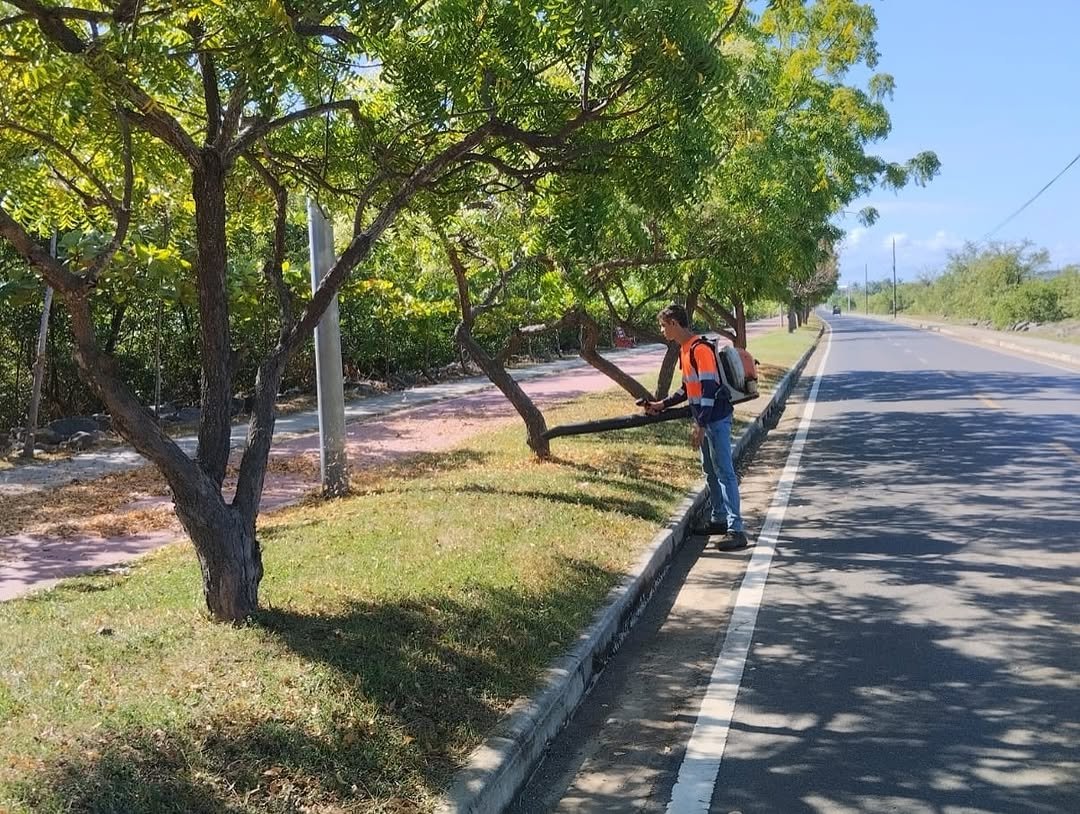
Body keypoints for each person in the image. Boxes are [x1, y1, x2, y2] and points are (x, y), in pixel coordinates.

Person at [644, 303, 749, 550]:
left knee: (724, 472)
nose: (662, 330)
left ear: (674, 323)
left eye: (663, 325)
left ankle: (736, 530)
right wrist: (661, 404)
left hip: (716, 419)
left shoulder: (700, 349)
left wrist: (701, 424)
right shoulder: (685, 349)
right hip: (704, 419)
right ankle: (719, 519)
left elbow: (709, 389)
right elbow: (687, 388)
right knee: (710, 471)